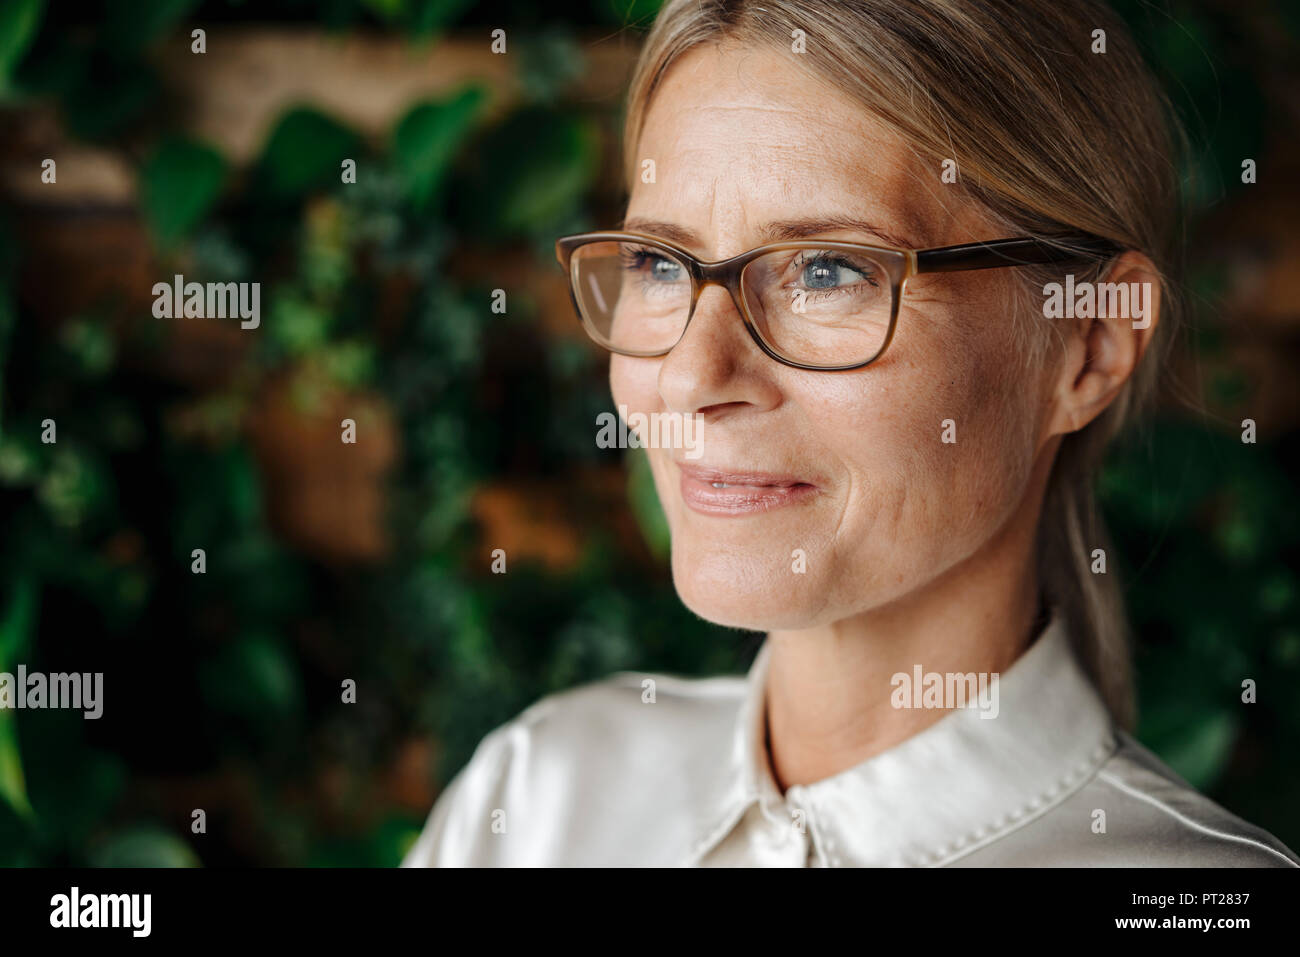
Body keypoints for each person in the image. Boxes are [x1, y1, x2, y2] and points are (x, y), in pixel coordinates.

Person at [402, 0, 1299, 866]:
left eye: (827, 270)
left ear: (1091, 344)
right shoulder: (534, 804)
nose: (689, 376)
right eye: (655, 263)